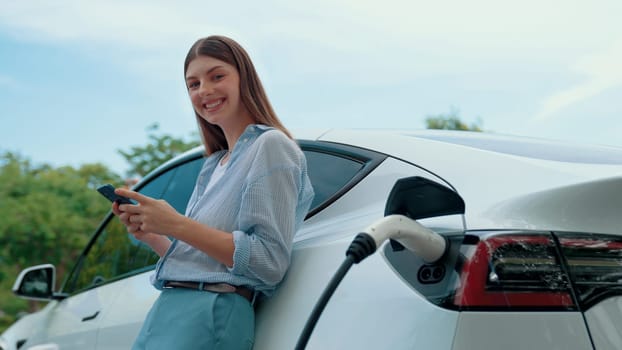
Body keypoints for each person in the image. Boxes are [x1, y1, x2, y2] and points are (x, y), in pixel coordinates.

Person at [111, 35, 314, 350]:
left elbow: (267, 262)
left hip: (211, 315)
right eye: (193, 84)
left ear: (244, 79)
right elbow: (203, 261)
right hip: (169, 309)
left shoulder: (271, 146)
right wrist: (152, 235)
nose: (204, 90)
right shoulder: (214, 165)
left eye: (217, 76)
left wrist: (176, 224)